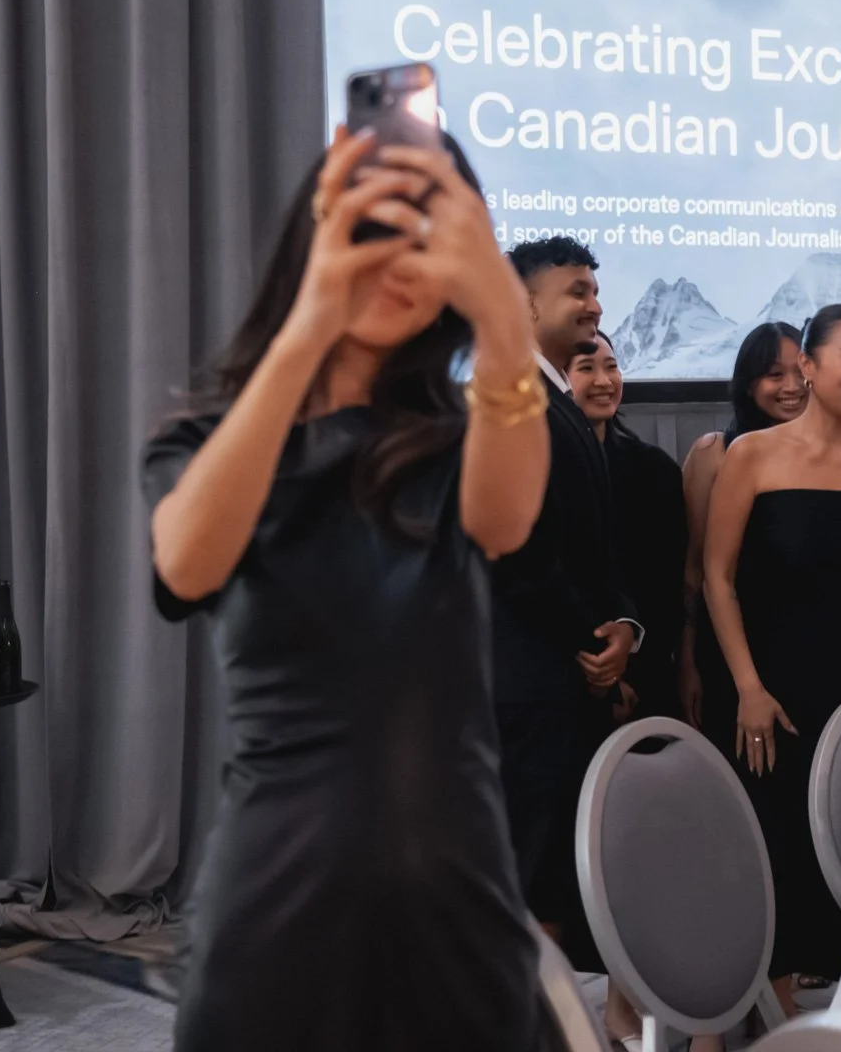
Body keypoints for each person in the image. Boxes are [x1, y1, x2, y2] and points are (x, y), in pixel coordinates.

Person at [143, 129, 553, 1049]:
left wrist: (503, 315)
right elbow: (185, 564)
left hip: (460, 899)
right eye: (374, 228)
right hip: (277, 896)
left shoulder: (461, 442)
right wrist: (311, 321)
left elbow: (505, 520)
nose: (398, 263)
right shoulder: (208, 441)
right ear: (319, 234)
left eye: (428, 240)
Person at [702, 304, 841, 1002]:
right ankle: (746, 1020)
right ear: (809, 364)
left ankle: (835, 1017)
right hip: (765, 690)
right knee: (763, 853)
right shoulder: (751, 455)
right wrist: (747, 686)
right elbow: (717, 578)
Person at [493, 235, 642, 966]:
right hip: (528, 684)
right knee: (533, 878)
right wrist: (592, 640)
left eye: (595, 290)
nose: (595, 305)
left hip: (559, 679)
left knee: (553, 872)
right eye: (577, 292)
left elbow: (592, 548)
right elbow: (519, 555)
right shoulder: (508, 401)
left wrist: (624, 630)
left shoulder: (556, 401)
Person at [679, 322, 806, 750]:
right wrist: (687, 663)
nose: (792, 387)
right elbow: (694, 570)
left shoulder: (833, 460)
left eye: (800, 371)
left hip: (807, 644)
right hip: (733, 648)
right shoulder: (713, 453)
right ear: (749, 384)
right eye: (775, 374)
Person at [568, 334, 685, 726]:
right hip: (569, 674)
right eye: (586, 368)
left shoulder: (655, 469)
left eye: (612, 366)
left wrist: (631, 670)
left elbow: (666, 585)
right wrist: (601, 674)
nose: (604, 381)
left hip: (646, 666)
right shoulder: (541, 471)